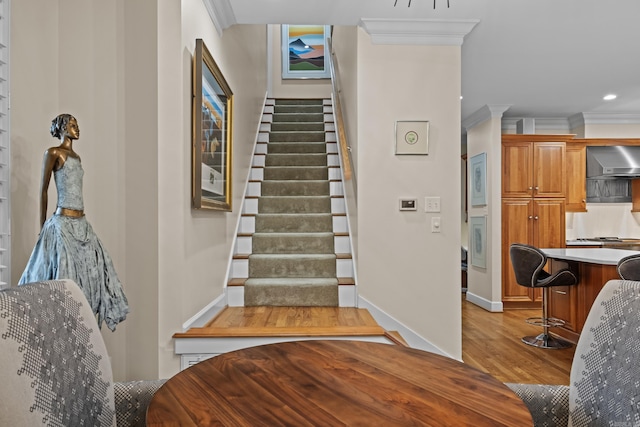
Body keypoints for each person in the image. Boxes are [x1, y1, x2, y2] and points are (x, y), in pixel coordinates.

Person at [18, 114, 129, 331]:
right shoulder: (53, 153)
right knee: (64, 281)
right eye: (72, 124)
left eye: (77, 124)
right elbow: (43, 190)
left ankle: (82, 332)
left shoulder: (77, 158)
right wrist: (43, 227)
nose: (77, 128)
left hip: (82, 225)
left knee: (93, 277)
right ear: (62, 128)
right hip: (62, 225)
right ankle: (62, 330)